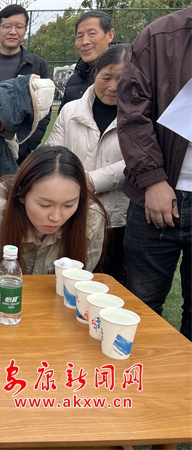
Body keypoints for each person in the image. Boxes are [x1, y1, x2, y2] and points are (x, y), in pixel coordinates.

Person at [117, 7, 192, 341]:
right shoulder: (160, 35)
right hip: (157, 196)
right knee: (140, 307)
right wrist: (154, 180)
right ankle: (139, 372)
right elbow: (132, 112)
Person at [47, 44, 130, 284]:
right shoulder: (71, 110)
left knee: (112, 279)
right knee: (71, 275)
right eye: (106, 77)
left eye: (121, 79)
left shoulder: (139, 114)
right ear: (96, 73)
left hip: (117, 217)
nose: (113, 86)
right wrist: (71, 181)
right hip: (71, 209)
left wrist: (91, 181)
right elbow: (53, 150)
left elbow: (137, 160)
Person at [0, 146, 108, 275]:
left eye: (68, 205)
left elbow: (80, 280)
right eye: (45, 205)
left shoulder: (92, 217)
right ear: (21, 194)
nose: (56, 217)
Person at [0, 4, 51, 164]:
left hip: (21, 155)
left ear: (25, 30)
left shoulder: (37, 65)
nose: (13, 31)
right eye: (7, 26)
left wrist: (26, 146)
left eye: (19, 26)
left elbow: (44, 110)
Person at [59, 10, 115, 111]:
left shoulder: (128, 75)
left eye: (92, 33)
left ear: (110, 35)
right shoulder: (74, 80)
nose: (85, 42)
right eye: (80, 36)